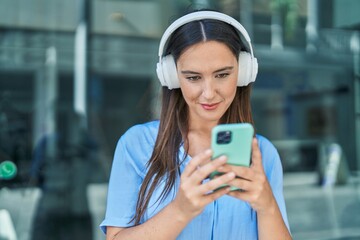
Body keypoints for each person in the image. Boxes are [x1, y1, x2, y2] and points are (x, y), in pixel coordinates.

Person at [100, 10, 292, 240]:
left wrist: (267, 206)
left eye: (222, 75)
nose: (209, 93)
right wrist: (180, 210)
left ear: (243, 72)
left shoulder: (263, 154)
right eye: (193, 77)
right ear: (171, 76)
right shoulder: (137, 144)